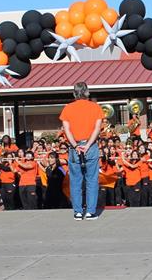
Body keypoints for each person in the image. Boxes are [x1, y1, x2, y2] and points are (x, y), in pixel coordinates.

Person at [59, 82, 104, 221]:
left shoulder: (68, 108)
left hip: (75, 147)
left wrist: (75, 145)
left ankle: (78, 212)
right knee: (91, 180)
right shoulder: (95, 107)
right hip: (90, 146)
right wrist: (88, 144)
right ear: (87, 92)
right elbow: (97, 129)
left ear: (74, 93)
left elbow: (66, 129)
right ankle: (90, 212)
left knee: (75, 180)